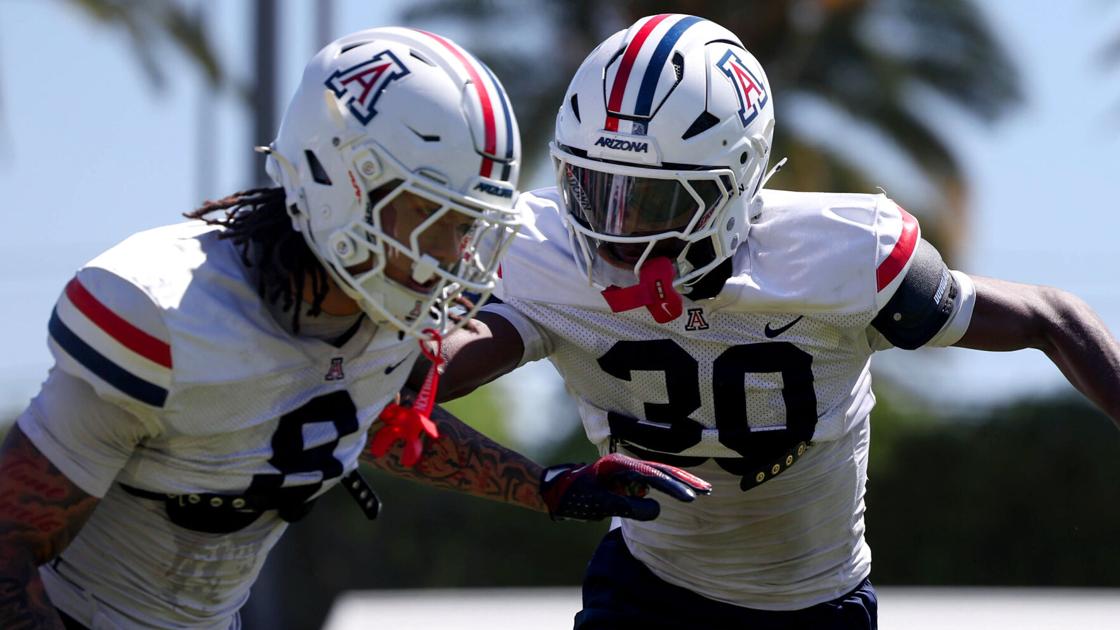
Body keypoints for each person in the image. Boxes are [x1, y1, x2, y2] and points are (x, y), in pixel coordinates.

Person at [0, 27, 710, 629]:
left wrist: (548, 485)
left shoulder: (379, 314)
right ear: (340, 181)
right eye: (432, 215)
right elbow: (8, 547)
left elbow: (370, 419)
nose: (453, 254)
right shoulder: (163, 313)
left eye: (468, 225)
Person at [430, 13, 1120, 629]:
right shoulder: (541, 252)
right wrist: (541, 480)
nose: (617, 229)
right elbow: (415, 385)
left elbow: (1051, 316)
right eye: (595, 189)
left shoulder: (840, 254)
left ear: (735, 184)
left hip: (817, 606)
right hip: (646, 591)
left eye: (653, 202)